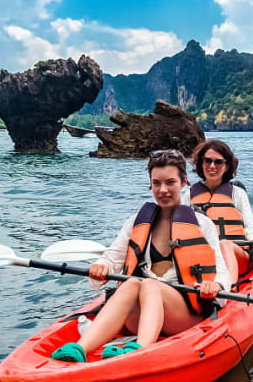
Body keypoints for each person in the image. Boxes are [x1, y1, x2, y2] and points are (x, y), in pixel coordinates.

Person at [51, 149, 230, 363]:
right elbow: (112, 257)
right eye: (156, 183)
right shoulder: (137, 222)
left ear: (183, 182)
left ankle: (140, 350)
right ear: (150, 185)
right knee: (131, 284)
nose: (163, 190)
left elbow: (220, 270)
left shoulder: (202, 224)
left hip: (184, 314)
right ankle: (80, 349)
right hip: (141, 314)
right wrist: (101, 266)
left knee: (148, 284)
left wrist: (216, 285)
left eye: (170, 182)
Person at [182, 140, 253, 285]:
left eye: (218, 162)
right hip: (206, 259)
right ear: (201, 163)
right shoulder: (190, 194)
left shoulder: (237, 193)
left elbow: (250, 224)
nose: (212, 166)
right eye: (207, 161)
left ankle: (228, 288)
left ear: (226, 166)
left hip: (237, 256)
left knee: (224, 244)